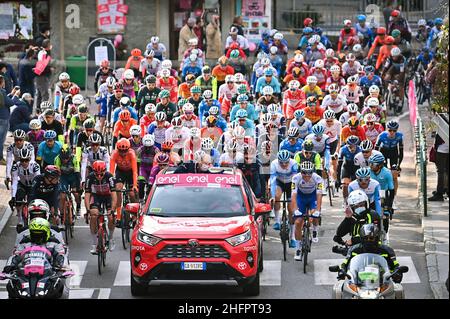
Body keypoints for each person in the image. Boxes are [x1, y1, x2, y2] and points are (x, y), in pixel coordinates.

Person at [338, 223, 404, 284]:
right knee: (339, 288)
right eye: (365, 238)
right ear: (361, 238)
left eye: (371, 238)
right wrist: (342, 271)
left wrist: (397, 272)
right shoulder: (354, 249)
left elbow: (395, 265)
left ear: (377, 238)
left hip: (382, 282)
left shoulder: (387, 250)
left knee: (398, 289)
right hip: (358, 281)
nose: (368, 240)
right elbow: (345, 264)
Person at [291, 161, 323, 260]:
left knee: (315, 215)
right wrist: (295, 209)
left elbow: (319, 195)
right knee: (298, 222)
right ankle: (298, 248)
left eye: (309, 173)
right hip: (301, 198)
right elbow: (293, 195)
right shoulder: (296, 178)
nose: (307, 175)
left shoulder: (317, 178)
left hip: (313, 197)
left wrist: (317, 210)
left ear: (312, 172)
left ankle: (314, 230)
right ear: (301, 172)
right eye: (304, 173)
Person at [84, 160, 117, 253]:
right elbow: (87, 195)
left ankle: (110, 238)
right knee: (94, 215)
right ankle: (94, 244)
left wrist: (113, 210)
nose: (99, 177)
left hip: (108, 197)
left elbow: (114, 195)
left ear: (104, 171)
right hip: (96, 197)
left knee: (111, 217)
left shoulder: (109, 177)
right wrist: (87, 210)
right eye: (96, 174)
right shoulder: (89, 178)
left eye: (101, 174)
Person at [109, 138, 138, 227]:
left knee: (132, 194)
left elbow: (134, 172)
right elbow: (111, 171)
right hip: (120, 172)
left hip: (130, 172)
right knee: (117, 189)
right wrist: (111, 185)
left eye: (125, 151)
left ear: (128, 149)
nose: (123, 153)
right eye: (120, 151)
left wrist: (135, 185)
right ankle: (118, 216)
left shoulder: (132, 154)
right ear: (117, 149)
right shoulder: (114, 154)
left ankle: (134, 216)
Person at [9, 148, 40, 227]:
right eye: (22, 160)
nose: (24, 162)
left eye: (26, 160)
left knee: (32, 202)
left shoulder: (35, 165)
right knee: (18, 197)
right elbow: (15, 181)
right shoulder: (16, 166)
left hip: (33, 185)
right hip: (22, 184)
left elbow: (38, 180)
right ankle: (19, 219)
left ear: (29, 159)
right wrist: (13, 197)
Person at [269, 150, 298, 233]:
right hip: (279, 182)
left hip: (290, 183)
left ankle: (292, 234)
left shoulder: (294, 163)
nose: (284, 165)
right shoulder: (274, 164)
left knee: (291, 208)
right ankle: (277, 221)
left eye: (286, 162)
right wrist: (273, 196)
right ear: (278, 161)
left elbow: (295, 180)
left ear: (289, 160)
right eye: (281, 163)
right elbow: (273, 181)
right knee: (277, 196)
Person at [428, 133, 449, 201]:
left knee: (441, 172)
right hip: (445, 147)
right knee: (446, 171)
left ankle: (439, 194)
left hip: (442, 149)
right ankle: (446, 190)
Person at [34, 39, 52, 110]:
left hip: (40, 75)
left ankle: (38, 109)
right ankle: (44, 110)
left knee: (39, 94)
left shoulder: (41, 52)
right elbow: (43, 65)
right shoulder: (44, 53)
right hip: (42, 76)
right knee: (45, 94)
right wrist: (49, 69)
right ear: (48, 46)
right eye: (50, 45)